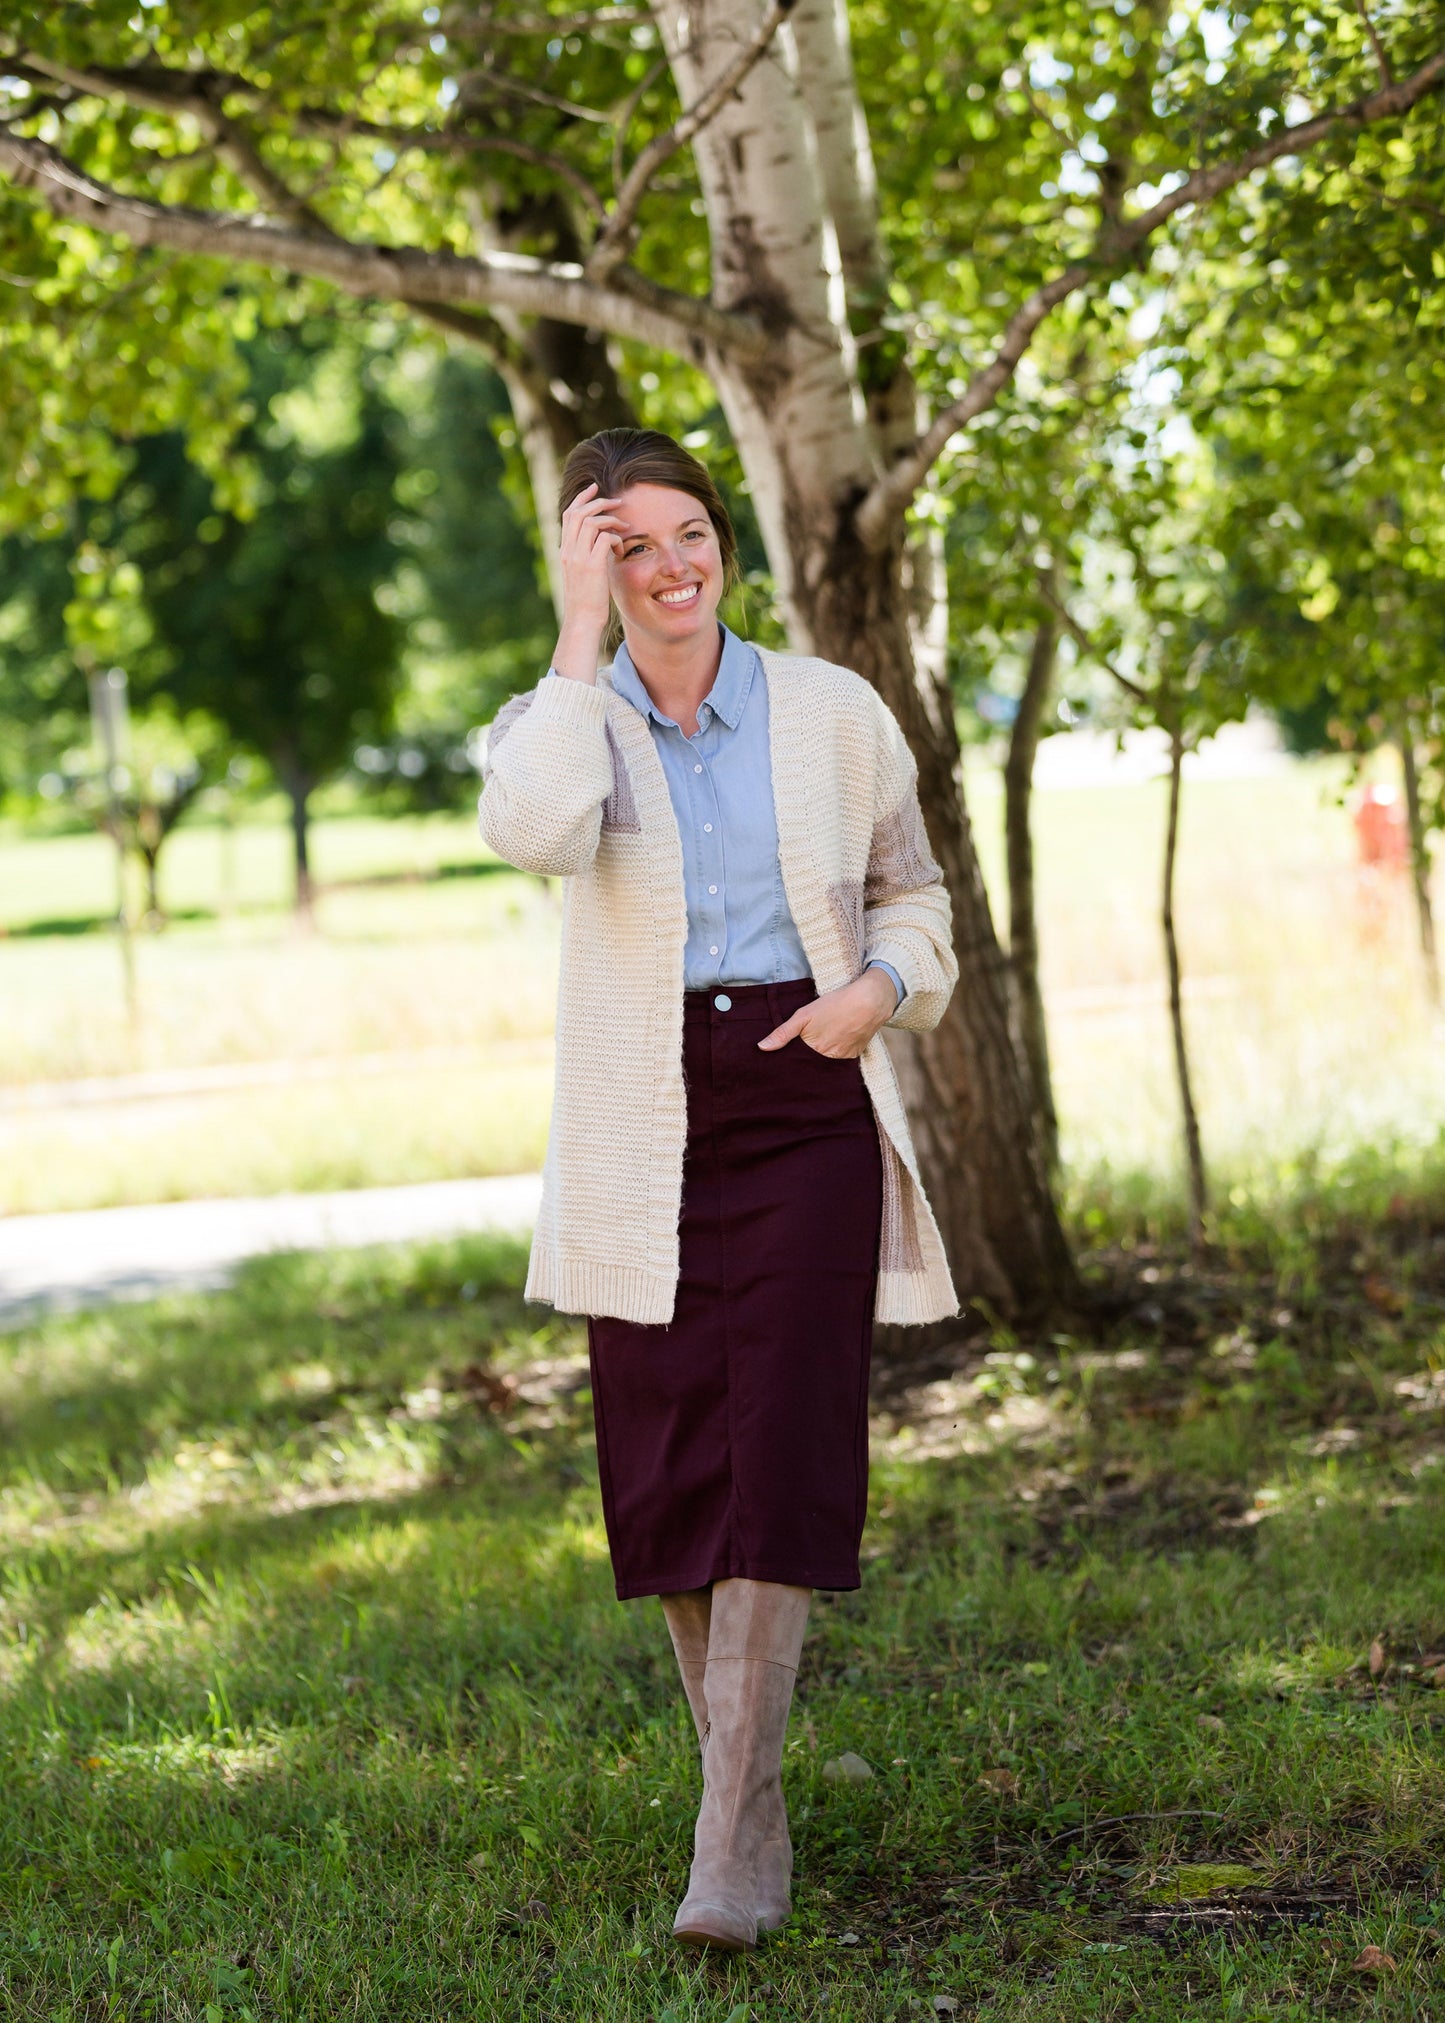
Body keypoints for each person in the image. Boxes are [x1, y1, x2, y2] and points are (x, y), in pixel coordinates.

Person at [478, 428, 958, 1952]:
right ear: (589, 565)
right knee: (680, 1452)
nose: (671, 568)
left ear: (724, 545)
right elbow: (531, 832)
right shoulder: (561, 725)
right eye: (629, 547)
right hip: (644, 1113)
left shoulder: (828, 710)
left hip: (799, 1085)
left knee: (786, 1438)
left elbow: (916, 891)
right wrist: (574, 640)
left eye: (690, 534)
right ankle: (742, 1811)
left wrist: (872, 996)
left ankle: (728, 1852)